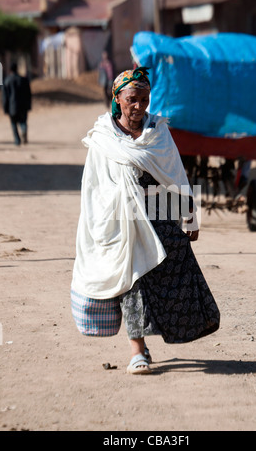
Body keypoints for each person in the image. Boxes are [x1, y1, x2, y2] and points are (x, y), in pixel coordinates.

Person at [71, 67, 220, 374]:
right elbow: (94, 187)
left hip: (159, 216)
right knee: (132, 280)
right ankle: (137, 350)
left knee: (177, 265)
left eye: (144, 99)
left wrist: (189, 214)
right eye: (132, 100)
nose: (139, 106)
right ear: (117, 98)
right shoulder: (104, 138)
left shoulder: (158, 131)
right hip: (120, 220)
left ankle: (184, 326)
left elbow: (175, 173)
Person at [2, 62, 32, 146]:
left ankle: (17, 140)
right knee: (23, 122)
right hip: (23, 106)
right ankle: (24, 130)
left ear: (10, 70)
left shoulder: (7, 80)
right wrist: (29, 105)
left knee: (13, 124)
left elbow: (5, 96)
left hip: (12, 106)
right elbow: (29, 94)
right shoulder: (23, 80)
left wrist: (5, 108)